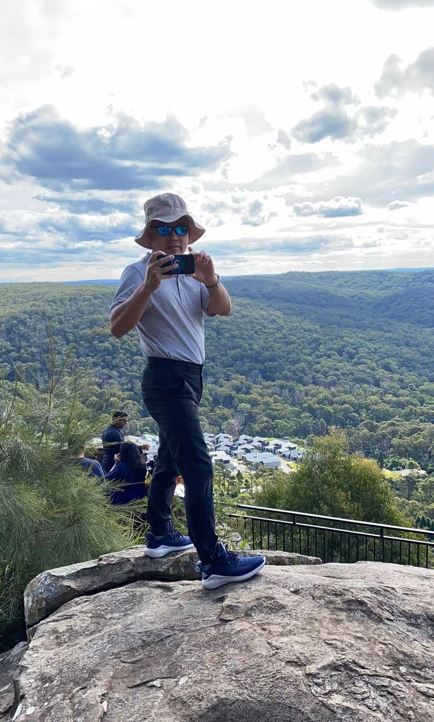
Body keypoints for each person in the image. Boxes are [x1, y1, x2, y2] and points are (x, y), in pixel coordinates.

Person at [109, 192, 265, 590]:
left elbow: (222, 309)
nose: (176, 236)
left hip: (190, 378)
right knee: (197, 466)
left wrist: (210, 279)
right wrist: (149, 286)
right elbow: (118, 327)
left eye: (182, 228)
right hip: (165, 379)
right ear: (150, 236)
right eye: (165, 229)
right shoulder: (137, 273)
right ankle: (212, 560)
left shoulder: (194, 271)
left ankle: (160, 534)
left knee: (168, 459)